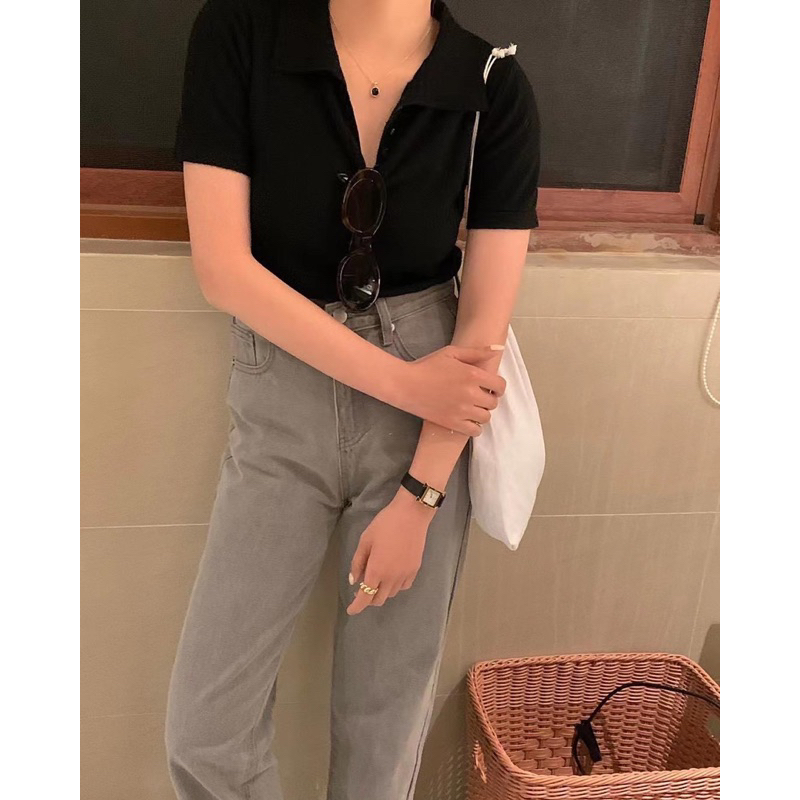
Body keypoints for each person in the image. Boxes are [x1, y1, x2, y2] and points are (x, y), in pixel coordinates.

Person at [164, 0, 541, 798]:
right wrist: (404, 382)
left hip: (426, 425)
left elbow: (481, 334)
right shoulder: (242, 33)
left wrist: (422, 497)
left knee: (383, 733)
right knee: (206, 729)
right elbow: (222, 268)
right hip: (286, 396)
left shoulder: (491, 85)